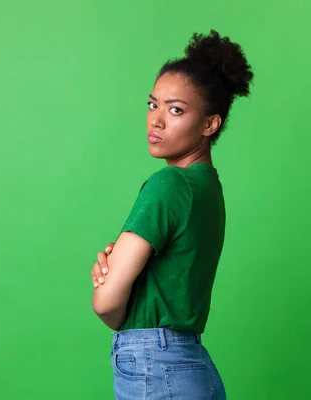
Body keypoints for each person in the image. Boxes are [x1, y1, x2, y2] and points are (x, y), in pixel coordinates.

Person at [89, 29, 253, 399]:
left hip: (156, 366)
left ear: (210, 124)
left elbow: (107, 306)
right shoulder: (207, 189)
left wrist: (109, 284)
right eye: (153, 105)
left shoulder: (170, 184)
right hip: (188, 366)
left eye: (176, 110)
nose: (157, 121)